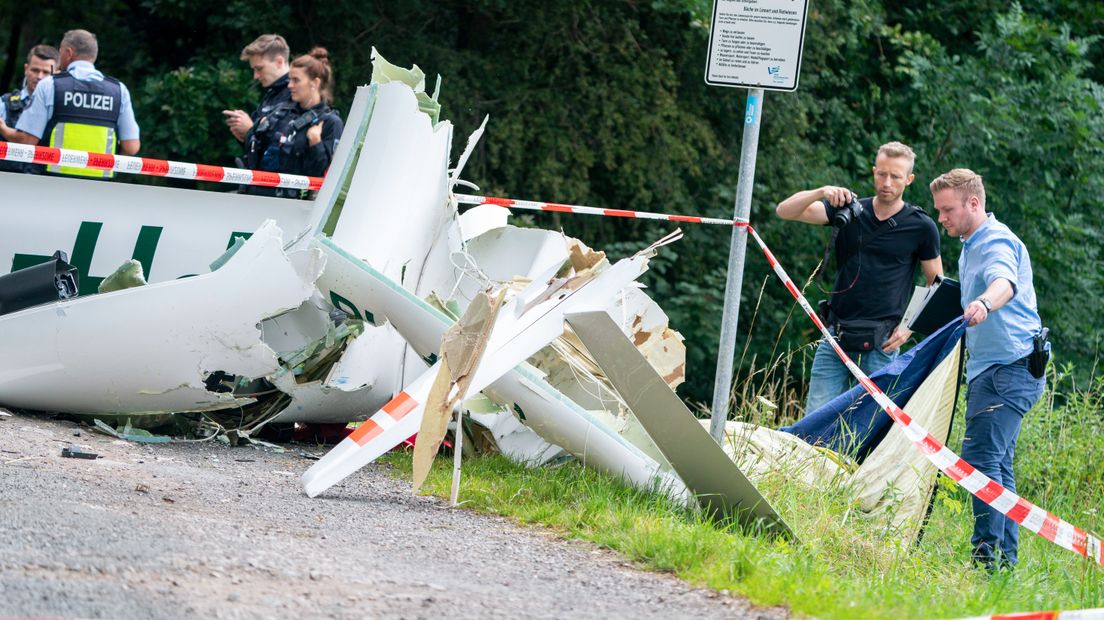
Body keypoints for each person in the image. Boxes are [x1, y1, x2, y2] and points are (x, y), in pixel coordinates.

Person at [930, 168, 1046, 571]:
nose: (941, 218)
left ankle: (985, 562)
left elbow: (1005, 283)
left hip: (1008, 372)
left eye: (947, 210)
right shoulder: (970, 243)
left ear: (973, 203)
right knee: (998, 466)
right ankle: (1002, 565)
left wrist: (983, 303)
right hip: (995, 371)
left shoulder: (995, 241)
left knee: (979, 462)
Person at [776, 142, 943, 412]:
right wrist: (821, 191)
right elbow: (784, 211)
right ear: (874, 171)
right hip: (835, 336)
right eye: (882, 174)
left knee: (867, 429)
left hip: (882, 344)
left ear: (909, 180)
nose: (887, 182)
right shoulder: (849, 211)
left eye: (896, 176)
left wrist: (909, 327)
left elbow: (936, 284)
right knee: (814, 422)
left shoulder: (921, 226)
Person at [0, 29, 139, 178]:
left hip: (53, 184)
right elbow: (131, 147)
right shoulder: (119, 90)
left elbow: (27, 141)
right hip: (98, 186)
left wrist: (3, 128)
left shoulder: (51, 85)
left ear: (69, 53)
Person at [254, 47, 343, 199]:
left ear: (314, 82)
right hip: (262, 196)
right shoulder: (280, 113)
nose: (289, 86)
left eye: (296, 80)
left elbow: (324, 176)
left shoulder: (330, 122)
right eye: (289, 80)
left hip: (299, 207)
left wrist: (316, 143)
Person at [223, 34, 293, 194]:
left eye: (259, 68)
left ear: (279, 61)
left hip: (278, 192)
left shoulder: (295, 94)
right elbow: (260, 147)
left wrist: (250, 130)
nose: (256, 76)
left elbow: (289, 144)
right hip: (258, 186)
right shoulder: (271, 94)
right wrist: (244, 136)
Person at [0, 44, 59, 173]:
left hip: (42, 183)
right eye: (35, 70)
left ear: (57, 74)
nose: (40, 77)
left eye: (46, 73)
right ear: (26, 69)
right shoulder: (4, 103)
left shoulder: (59, 109)